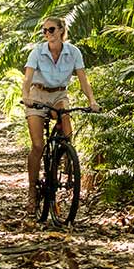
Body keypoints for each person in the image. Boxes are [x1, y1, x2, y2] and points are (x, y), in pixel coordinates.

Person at [21, 16, 99, 214]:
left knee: (66, 123)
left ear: (62, 30)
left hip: (59, 94)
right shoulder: (37, 52)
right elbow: (28, 78)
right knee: (38, 145)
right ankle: (32, 190)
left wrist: (92, 100)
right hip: (38, 94)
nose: (48, 34)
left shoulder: (73, 53)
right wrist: (25, 96)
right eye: (45, 31)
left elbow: (83, 80)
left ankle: (62, 158)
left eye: (52, 29)